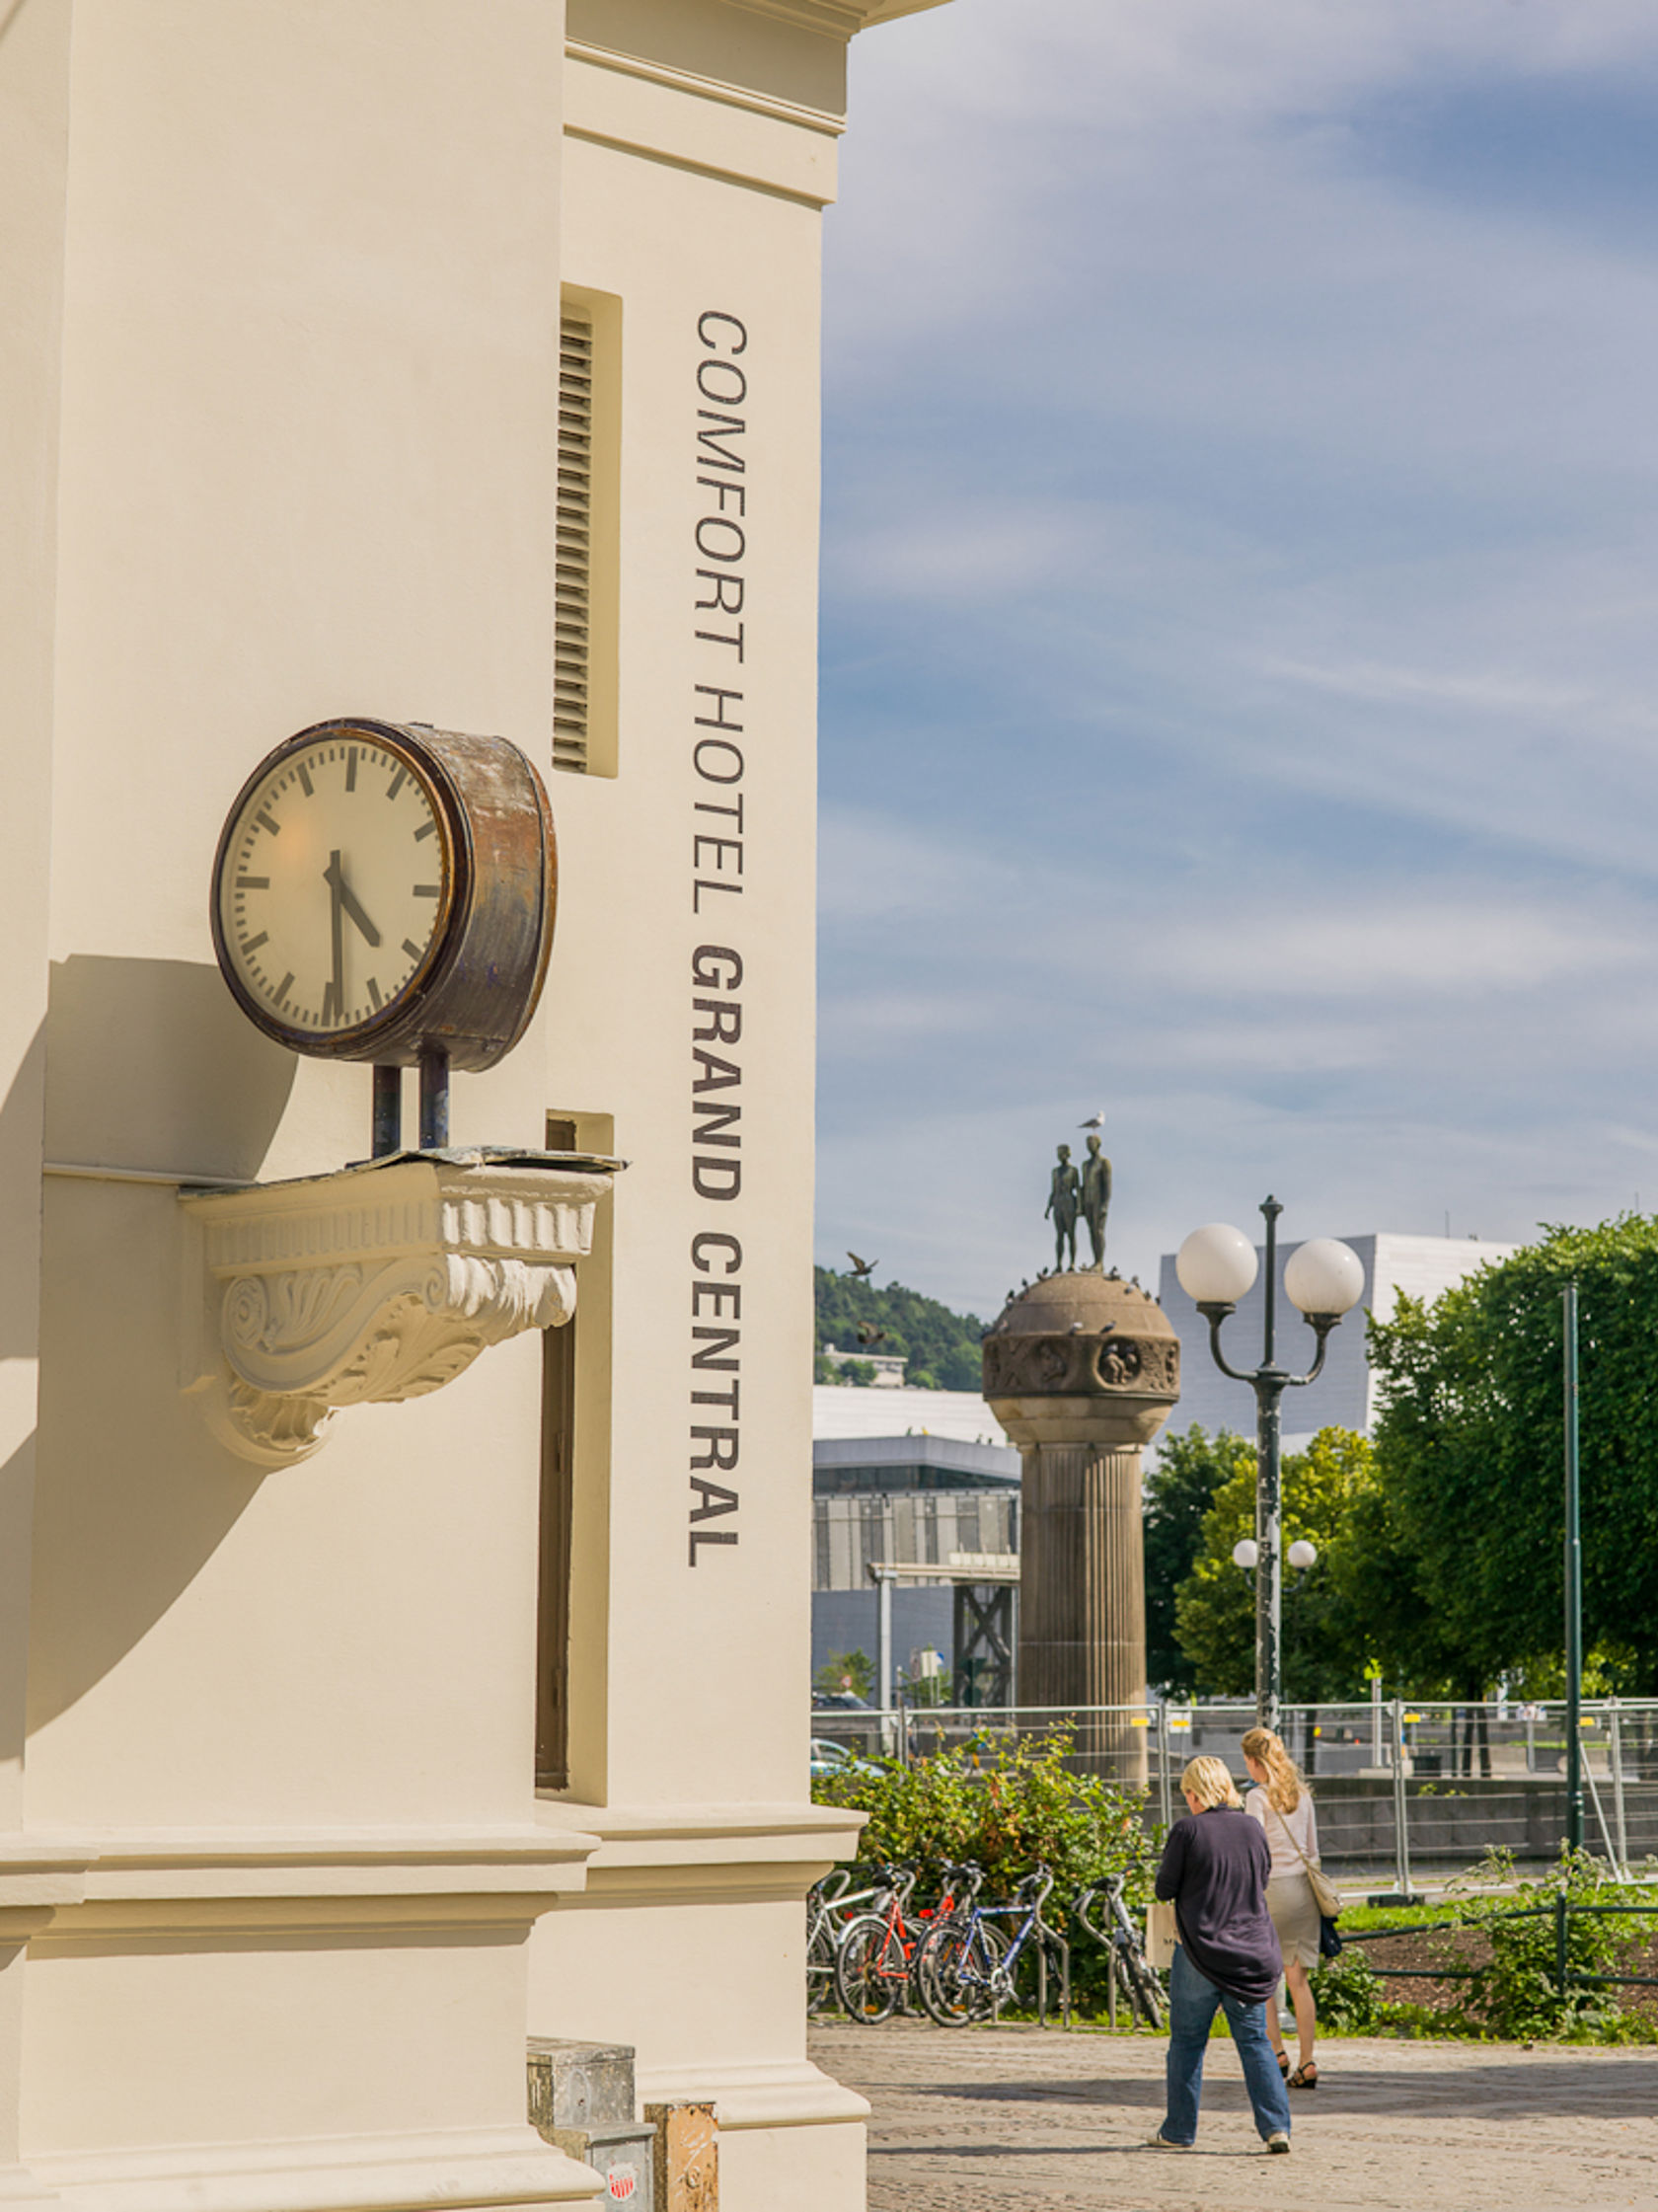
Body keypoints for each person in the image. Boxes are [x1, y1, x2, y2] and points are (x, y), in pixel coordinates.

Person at [1148, 1754, 1292, 2155]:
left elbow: (1164, 1888)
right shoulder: (1251, 1827)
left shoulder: (1187, 1831)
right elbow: (1260, 1879)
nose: (1188, 1802)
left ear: (1196, 1793)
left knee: (1188, 2042)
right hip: (1250, 1954)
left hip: (1200, 1953)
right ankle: (1276, 2128)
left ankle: (1178, 2130)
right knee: (1255, 2042)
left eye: (1188, 1795)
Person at [1242, 1724, 1321, 2089]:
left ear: (1255, 1761)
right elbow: (1313, 1852)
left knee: (1265, 1979)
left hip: (1271, 1891)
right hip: (1304, 1893)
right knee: (1298, 1981)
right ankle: (1308, 2062)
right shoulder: (1303, 1796)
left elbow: (1254, 1851)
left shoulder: (1257, 1799)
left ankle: (1277, 2051)